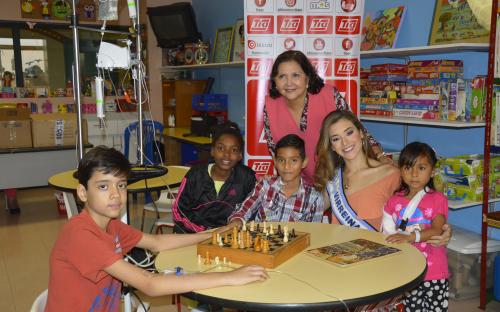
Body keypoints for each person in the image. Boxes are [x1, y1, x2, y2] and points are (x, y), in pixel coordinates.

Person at [45, 146, 268, 311]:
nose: (115, 194)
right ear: (82, 193)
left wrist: (210, 234)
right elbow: (150, 284)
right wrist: (230, 277)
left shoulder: (110, 225)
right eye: (103, 186)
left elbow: (157, 242)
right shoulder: (81, 235)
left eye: (121, 185)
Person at [315, 111, 452, 244]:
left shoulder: (392, 175)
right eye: (336, 139)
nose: (345, 143)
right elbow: (311, 209)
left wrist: (445, 230)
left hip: (377, 261)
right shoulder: (333, 178)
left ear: (361, 133)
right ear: (332, 146)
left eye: (349, 133)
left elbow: (428, 206)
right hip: (337, 257)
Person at [263, 50, 386, 184]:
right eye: (282, 77)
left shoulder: (329, 96)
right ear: (274, 81)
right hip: (302, 186)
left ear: (307, 78)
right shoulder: (270, 106)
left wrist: (380, 157)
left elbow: (356, 129)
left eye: (296, 75)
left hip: (343, 178)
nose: (289, 83)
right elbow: (275, 151)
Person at [383, 142, 449, 311]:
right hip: (408, 271)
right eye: (408, 167)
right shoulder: (394, 200)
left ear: (432, 171)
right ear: (400, 170)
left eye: (421, 168)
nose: (413, 174)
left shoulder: (438, 199)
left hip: (434, 272)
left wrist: (411, 237)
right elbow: (388, 232)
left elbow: (437, 230)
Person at [172, 121, 256, 233]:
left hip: (230, 236)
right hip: (193, 235)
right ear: (212, 151)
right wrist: (206, 232)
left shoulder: (247, 177)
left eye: (234, 150)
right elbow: (178, 212)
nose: (227, 154)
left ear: (240, 155)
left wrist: (235, 226)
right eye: (221, 148)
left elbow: (254, 210)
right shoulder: (196, 175)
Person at [228, 134, 324, 226]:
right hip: (262, 241)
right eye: (281, 160)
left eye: (294, 160)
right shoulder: (265, 185)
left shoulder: (315, 198)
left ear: (304, 162)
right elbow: (243, 210)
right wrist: (237, 220)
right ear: (275, 161)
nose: (286, 166)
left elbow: (314, 234)